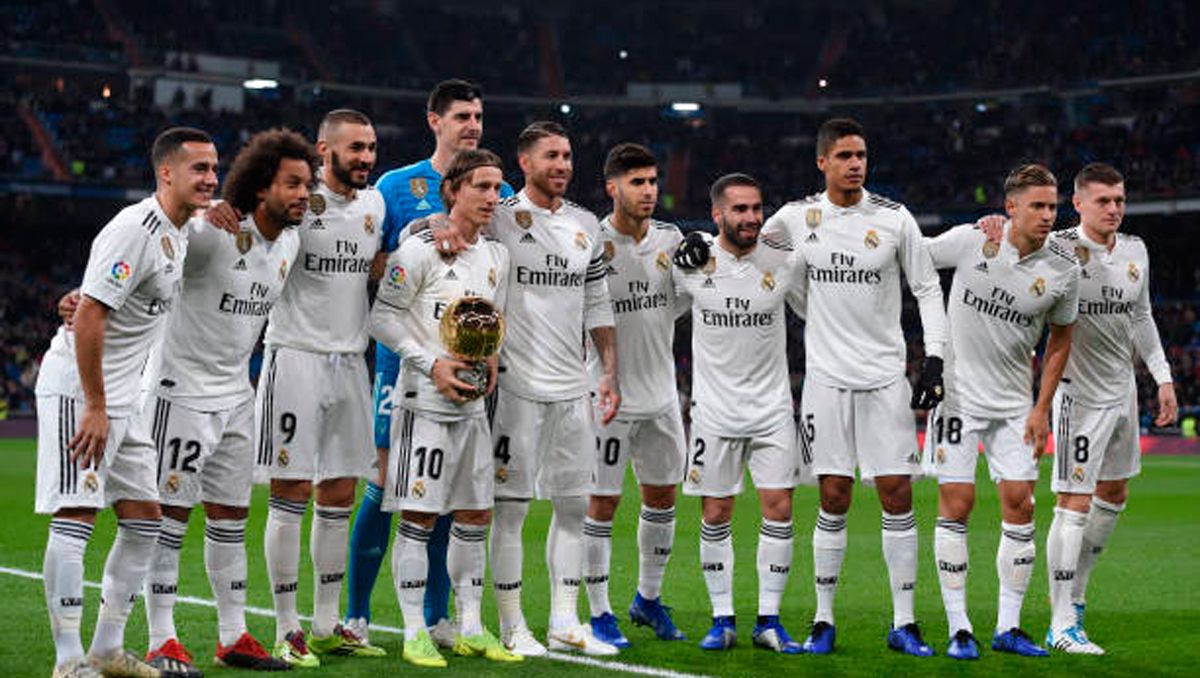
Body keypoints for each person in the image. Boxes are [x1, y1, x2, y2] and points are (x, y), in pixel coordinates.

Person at [759, 117, 947, 656]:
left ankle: (904, 621)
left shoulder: (894, 219)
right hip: (824, 382)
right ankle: (823, 619)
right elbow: (754, 253)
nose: (856, 163)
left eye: (861, 154)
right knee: (833, 496)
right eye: (844, 155)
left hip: (885, 378)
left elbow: (928, 288)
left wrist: (934, 360)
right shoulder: (796, 218)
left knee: (897, 494)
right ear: (822, 162)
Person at [35, 127, 217, 678]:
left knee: (145, 520)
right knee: (76, 516)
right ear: (166, 173)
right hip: (82, 391)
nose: (210, 178)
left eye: (214, 169)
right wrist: (94, 403)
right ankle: (69, 662)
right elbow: (89, 315)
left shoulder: (181, 230)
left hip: (126, 400)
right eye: (199, 170)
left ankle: (108, 650)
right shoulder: (135, 229)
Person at [437, 120, 619, 656]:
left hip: (574, 389)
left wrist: (609, 370)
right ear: (526, 163)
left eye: (567, 155)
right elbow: (452, 222)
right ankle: (514, 624)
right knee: (510, 510)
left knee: (572, 507)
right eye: (551, 156)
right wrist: (433, 220)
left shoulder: (587, 224)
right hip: (515, 389)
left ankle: (565, 619)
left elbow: (598, 306)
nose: (563, 164)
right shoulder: (503, 217)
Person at [138, 128, 314, 675]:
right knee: (169, 517)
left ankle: (233, 635)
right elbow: (151, 233)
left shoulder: (289, 241)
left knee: (231, 518)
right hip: (179, 392)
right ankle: (161, 637)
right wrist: (202, 211)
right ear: (260, 188)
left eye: (307, 183)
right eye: (293, 184)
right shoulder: (210, 231)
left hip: (238, 396)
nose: (305, 194)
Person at [347, 79, 513, 646]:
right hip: (405, 368)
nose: (472, 124)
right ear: (433, 121)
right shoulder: (394, 186)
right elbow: (364, 268)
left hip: (466, 365)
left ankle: (444, 619)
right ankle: (358, 614)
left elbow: (494, 271)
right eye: (462, 115)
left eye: (479, 115)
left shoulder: (502, 193)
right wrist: (420, 240)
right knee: (391, 482)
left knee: (456, 499)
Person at [924, 163, 1080, 659]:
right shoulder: (973, 240)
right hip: (957, 398)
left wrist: (1041, 408)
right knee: (958, 504)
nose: (1048, 215)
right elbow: (914, 259)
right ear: (1009, 207)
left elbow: (1060, 339)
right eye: (1037, 205)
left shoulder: (1063, 270)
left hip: (1015, 405)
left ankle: (1008, 628)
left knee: (1021, 505)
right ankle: (959, 627)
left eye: (1053, 206)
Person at [251, 109, 386, 667]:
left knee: (339, 493)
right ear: (323, 149)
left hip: (353, 362)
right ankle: (287, 628)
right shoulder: (298, 206)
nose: (366, 158)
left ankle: (327, 623)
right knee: (290, 493)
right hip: (296, 360)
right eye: (355, 148)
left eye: (372, 148)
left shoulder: (376, 204)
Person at [1042, 163, 1177, 654]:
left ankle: (1075, 597)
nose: (1115, 209)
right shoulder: (1056, 247)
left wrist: (1161, 376)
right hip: (1077, 395)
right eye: (1104, 201)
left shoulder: (1136, 250)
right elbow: (1007, 249)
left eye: (1120, 200)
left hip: (1123, 392)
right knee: (1072, 502)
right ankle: (1059, 623)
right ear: (1078, 203)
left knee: (1114, 493)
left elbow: (1142, 315)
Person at [674, 173, 807, 653]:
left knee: (780, 509)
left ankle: (768, 620)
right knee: (716, 512)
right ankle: (722, 618)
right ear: (717, 215)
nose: (751, 218)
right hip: (713, 412)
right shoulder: (692, 262)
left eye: (756, 209)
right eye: (740, 210)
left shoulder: (783, 259)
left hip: (772, 409)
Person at [582, 143, 686, 647]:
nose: (649, 191)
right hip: (608, 397)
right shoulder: (590, 242)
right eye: (637, 183)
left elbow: (683, 301)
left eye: (652, 181)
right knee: (602, 503)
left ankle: (647, 599)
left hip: (663, 394)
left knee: (662, 499)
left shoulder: (671, 238)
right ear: (612, 188)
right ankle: (599, 611)